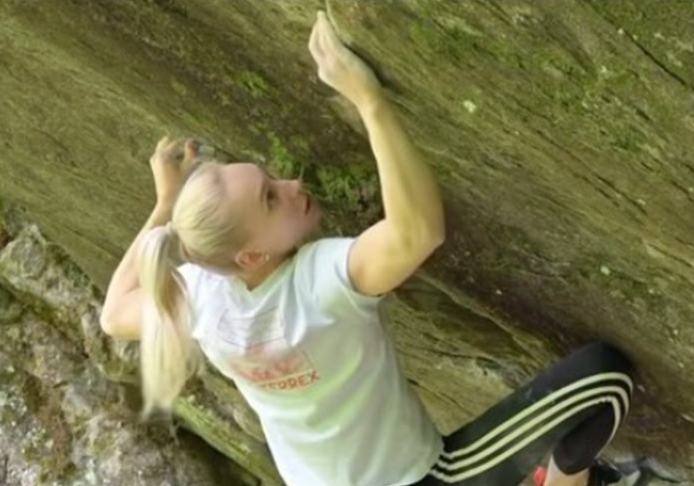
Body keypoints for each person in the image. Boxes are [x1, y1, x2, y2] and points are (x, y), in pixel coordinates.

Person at [100, 11, 637, 486]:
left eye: (271, 177)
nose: (290, 185)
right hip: (419, 479)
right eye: (270, 199)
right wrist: (368, 100)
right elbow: (417, 232)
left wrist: (166, 207)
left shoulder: (200, 299)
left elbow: (113, 313)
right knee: (605, 376)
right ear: (249, 256)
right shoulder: (318, 283)